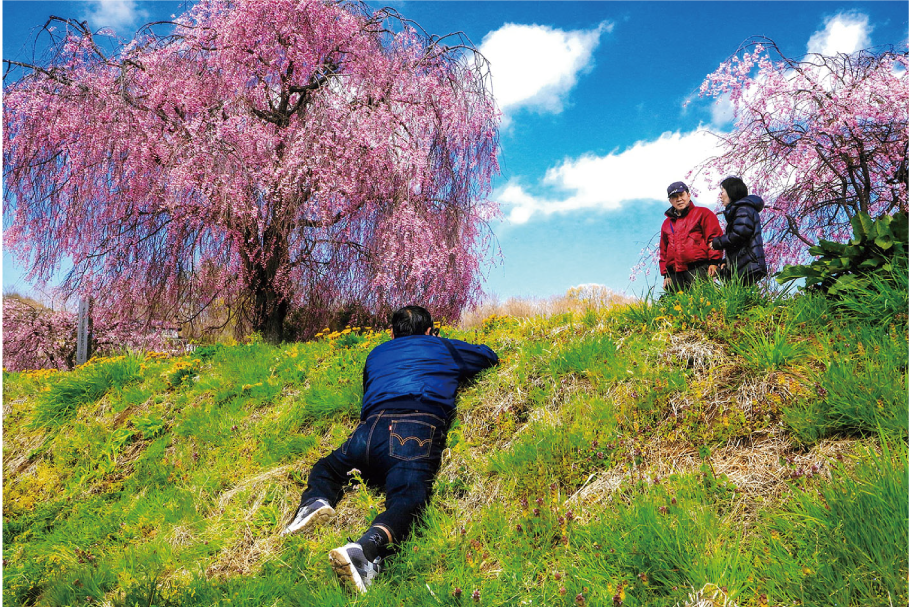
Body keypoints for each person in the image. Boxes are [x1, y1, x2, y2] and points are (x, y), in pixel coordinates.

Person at [281, 305, 499, 593]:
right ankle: (366, 551)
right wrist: (443, 344)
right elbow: (488, 357)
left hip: (369, 430)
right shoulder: (441, 346)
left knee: (328, 468)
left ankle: (315, 502)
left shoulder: (376, 354)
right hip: (415, 425)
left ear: (392, 333)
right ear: (430, 331)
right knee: (408, 497)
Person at [659, 181, 724, 292]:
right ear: (670, 201)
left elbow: (713, 238)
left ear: (688, 195)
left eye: (681, 195)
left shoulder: (703, 213)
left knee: (702, 304)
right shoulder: (666, 224)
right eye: (674, 197)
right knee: (677, 306)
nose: (679, 199)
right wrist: (666, 275)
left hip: (699, 269)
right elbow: (663, 250)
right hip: (675, 274)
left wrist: (714, 262)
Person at [710, 176, 767, 285]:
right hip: (744, 263)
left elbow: (739, 234)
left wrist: (717, 242)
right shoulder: (740, 210)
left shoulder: (743, 209)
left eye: (722, 191)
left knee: (742, 298)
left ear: (731, 192)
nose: (720, 195)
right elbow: (738, 245)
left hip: (748, 263)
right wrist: (725, 262)